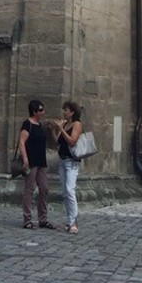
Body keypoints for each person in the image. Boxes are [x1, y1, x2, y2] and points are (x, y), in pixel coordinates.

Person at [17, 98, 54, 230]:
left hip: (41, 161)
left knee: (44, 188)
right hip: (31, 161)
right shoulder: (28, 124)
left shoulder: (40, 125)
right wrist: (25, 159)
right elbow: (21, 142)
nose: (43, 112)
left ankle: (43, 218)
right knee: (29, 188)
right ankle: (27, 219)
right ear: (34, 111)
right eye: (40, 110)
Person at [52, 99, 84, 233]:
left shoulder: (77, 124)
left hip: (72, 162)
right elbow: (57, 142)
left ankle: (74, 222)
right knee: (65, 192)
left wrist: (61, 129)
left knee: (70, 190)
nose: (64, 112)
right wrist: (54, 130)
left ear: (72, 112)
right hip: (62, 160)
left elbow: (72, 141)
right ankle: (70, 220)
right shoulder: (64, 124)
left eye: (66, 110)